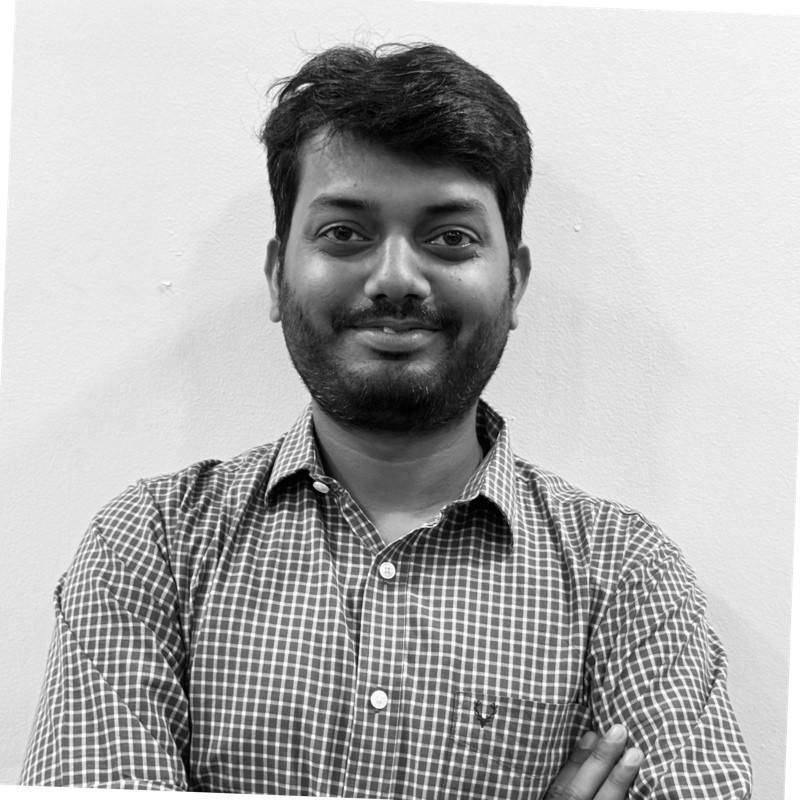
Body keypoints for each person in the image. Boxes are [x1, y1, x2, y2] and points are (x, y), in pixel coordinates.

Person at [20, 43, 751, 798]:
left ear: (514, 282)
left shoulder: (625, 577)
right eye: (345, 233)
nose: (397, 279)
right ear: (276, 274)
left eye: (450, 238)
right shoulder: (151, 547)